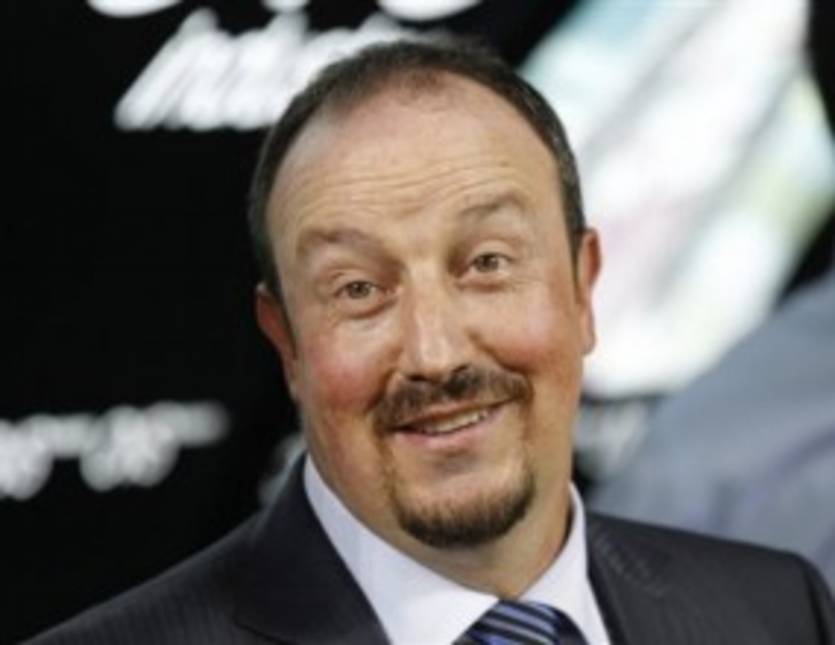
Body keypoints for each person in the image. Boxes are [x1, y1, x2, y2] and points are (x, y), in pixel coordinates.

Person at [28, 38, 834, 645]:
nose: (436, 353)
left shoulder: (776, 611)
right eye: (358, 290)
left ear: (583, 289)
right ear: (287, 344)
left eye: (486, 264)